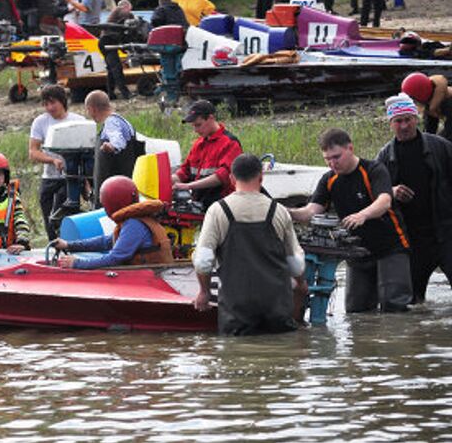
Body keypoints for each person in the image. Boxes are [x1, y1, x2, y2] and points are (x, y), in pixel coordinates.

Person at [288, 128, 412, 313]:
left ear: (350, 148)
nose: (332, 163)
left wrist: (362, 215)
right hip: (356, 251)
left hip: (391, 247)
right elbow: (311, 211)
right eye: (327, 159)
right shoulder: (329, 179)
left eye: (336, 157)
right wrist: (287, 212)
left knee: (394, 307)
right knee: (356, 311)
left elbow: (384, 201)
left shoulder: (374, 169)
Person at [193, 154, 307, 336]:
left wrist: (204, 292)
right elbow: (295, 263)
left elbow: (203, 261)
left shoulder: (218, 210)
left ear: (231, 179)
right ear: (261, 178)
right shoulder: (279, 211)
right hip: (276, 308)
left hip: (237, 311)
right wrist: (301, 285)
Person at [376, 94, 452, 303]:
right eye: (398, 121)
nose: (404, 125)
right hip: (413, 239)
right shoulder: (384, 156)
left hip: (446, 232)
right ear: (390, 124)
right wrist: (391, 191)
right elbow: (373, 194)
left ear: (416, 118)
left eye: (408, 119)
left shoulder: (440, 146)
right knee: (413, 303)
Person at [53, 175, 173, 269]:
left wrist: (78, 264)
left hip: (151, 277)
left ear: (113, 204)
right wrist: (69, 245)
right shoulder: (136, 219)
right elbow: (107, 241)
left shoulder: (134, 224)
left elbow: (115, 258)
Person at [29, 84, 86, 240]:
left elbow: (87, 151)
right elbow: (33, 152)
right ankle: (53, 245)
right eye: (46, 104)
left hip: (72, 177)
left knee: (61, 213)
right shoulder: (40, 122)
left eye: (53, 103)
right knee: (48, 217)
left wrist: (86, 181)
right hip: (49, 177)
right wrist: (52, 160)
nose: (49, 107)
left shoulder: (78, 121)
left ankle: (70, 243)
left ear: (62, 101)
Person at [172, 100, 243, 209]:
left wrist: (188, 186)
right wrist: (165, 180)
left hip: (222, 207)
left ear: (211, 118)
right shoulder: (198, 144)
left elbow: (222, 176)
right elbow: (184, 172)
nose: (196, 130)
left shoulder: (230, 143)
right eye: (193, 126)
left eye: (198, 125)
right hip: (200, 204)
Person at [85, 90, 142, 207]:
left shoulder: (112, 122)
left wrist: (112, 146)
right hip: (125, 189)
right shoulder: (122, 120)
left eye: (88, 110)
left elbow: (117, 140)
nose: (89, 114)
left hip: (113, 195)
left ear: (93, 109)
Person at [98, 0, 134, 100]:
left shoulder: (115, 16)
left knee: (111, 70)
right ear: (126, 6)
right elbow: (127, 18)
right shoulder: (120, 10)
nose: (130, 11)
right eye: (130, 9)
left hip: (106, 41)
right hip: (107, 42)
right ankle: (125, 93)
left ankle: (111, 93)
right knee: (116, 68)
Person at [401, 73, 452, 142]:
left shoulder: (447, 103)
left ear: (421, 95)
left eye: (414, 99)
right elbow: (429, 131)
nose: (414, 102)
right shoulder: (432, 103)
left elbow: (448, 136)